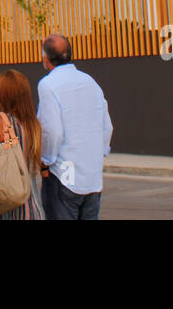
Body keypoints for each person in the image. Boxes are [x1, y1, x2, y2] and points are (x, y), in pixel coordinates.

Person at [37, 33, 112, 219]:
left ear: (46, 59)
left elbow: (52, 131)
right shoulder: (90, 82)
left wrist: (45, 160)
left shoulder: (48, 85)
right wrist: (99, 154)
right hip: (92, 178)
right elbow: (107, 126)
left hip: (63, 177)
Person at [0, 69, 43, 220]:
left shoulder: (0, 122)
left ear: (3, 94)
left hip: (6, 204)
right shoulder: (34, 124)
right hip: (30, 206)